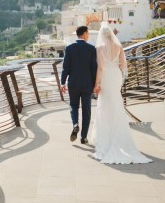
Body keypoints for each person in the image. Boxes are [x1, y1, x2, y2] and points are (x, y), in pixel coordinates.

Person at [91, 24, 152, 164]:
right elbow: (124, 66)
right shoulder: (119, 47)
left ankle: (106, 138)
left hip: (106, 76)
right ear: (111, 34)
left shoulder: (99, 49)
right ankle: (119, 136)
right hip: (116, 76)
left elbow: (100, 68)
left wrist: (96, 84)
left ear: (102, 36)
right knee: (116, 103)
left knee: (105, 105)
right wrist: (117, 74)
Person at [60, 25, 97, 144]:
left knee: (73, 106)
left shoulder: (69, 48)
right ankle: (84, 137)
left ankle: (75, 124)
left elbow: (65, 68)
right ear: (85, 34)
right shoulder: (91, 49)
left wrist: (62, 83)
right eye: (88, 33)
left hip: (73, 83)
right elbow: (93, 69)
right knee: (86, 110)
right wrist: (95, 85)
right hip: (87, 84)